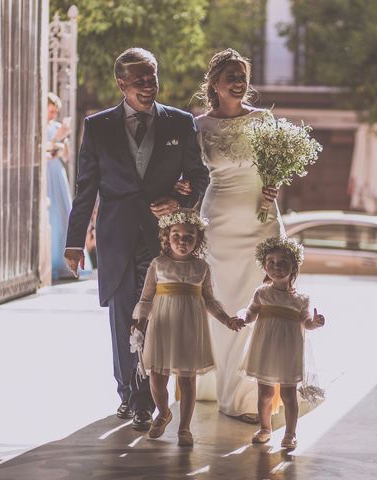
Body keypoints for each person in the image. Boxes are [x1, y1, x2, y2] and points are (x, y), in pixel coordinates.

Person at [64, 48, 210, 431]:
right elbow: (86, 188)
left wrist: (179, 199)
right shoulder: (97, 126)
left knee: (153, 316)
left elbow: (199, 175)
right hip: (116, 236)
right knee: (123, 316)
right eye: (140, 80)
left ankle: (144, 398)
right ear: (122, 84)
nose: (149, 86)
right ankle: (127, 392)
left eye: (153, 78)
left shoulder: (180, 123)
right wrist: (74, 242)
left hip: (161, 239)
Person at [178, 48, 284, 422]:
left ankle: (253, 393)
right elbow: (190, 177)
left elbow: (276, 170)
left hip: (261, 222)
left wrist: (273, 187)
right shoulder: (199, 126)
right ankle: (218, 386)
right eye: (231, 77)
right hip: (219, 225)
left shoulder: (265, 120)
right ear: (215, 85)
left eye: (243, 76)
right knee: (220, 304)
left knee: (264, 304)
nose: (239, 82)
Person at [132, 209, 243, 446]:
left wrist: (226, 319)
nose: (182, 241)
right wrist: (140, 324)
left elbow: (210, 300)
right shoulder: (158, 264)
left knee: (187, 378)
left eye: (189, 236)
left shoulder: (201, 267)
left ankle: (184, 427)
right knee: (158, 376)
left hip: (190, 328)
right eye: (176, 235)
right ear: (166, 237)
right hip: (162, 326)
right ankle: (163, 411)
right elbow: (146, 298)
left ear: (198, 239)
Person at [239, 235, 325, 448]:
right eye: (271, 263)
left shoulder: (300, 299)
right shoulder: (261, 293)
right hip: (265, 349)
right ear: (264, 265)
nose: (276, 267)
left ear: (293, 266)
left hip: (289, 351)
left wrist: (315, 322)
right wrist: (241, 318)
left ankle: (290, 433)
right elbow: (250, 313)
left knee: (288, 394)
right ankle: (265, 427)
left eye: (282, 262)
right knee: (265, 393)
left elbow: (306, 323)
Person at [45, 93, 86, 279]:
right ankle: (49, 262)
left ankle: (67, 263)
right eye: (51, 111)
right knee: (50, 215)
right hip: (46, 173)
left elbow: (66, 157)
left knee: (63, 215)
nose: (54, 115)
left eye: (56, 112)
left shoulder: (55, 127)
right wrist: (55, 139)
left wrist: (64, 143)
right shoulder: (41, 127)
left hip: (57, 171)